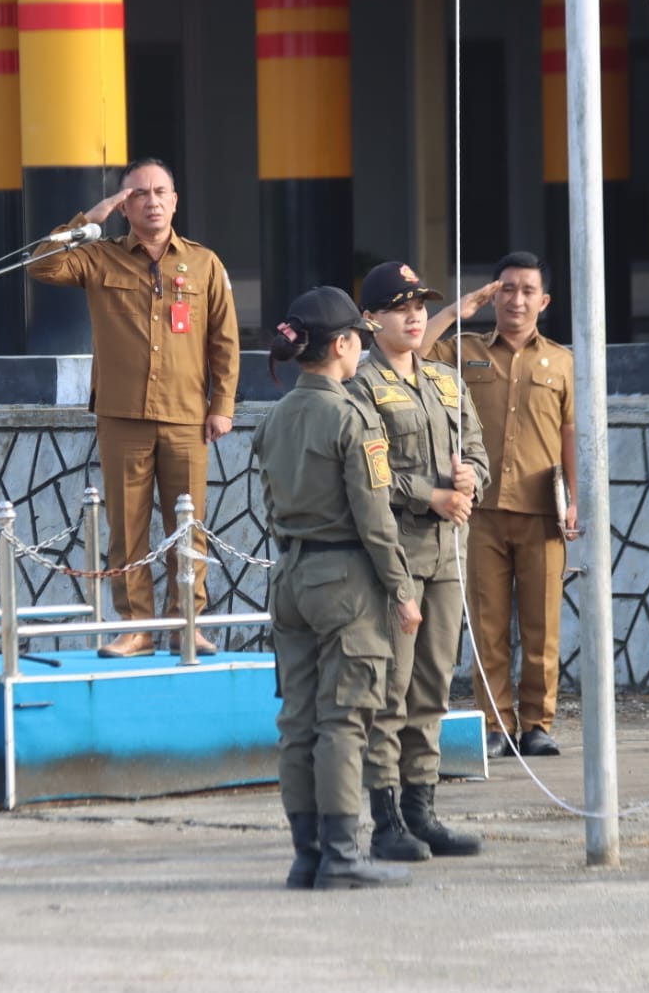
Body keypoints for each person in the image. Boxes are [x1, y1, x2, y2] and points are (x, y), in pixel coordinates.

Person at [29, 158, 239, 658]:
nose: (151, 201)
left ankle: (186, 623)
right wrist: (88, 220)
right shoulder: (99, 257)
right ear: (124, 206)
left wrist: (222, 405)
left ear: (175, 200)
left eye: (160, 191)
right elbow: (42, 265)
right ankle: (136, 628)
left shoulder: (204, 263)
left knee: (188, 527)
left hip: (187, 416)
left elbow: (224, 340)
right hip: (122, 416)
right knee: (127, 530)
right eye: (138, 194)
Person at [252, 285, 422, 890]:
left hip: (290, 576)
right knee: (345, 721)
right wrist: (402, 590)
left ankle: (308, 856)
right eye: (358, 340)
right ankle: (343, 855)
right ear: (343, 344)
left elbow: (271, 505)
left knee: (298, 721)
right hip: (346, 581)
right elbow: (375, 519)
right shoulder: (352, 417)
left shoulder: (275, 418)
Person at [348, 261, 489, 861]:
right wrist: (429, 494)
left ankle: (421, 810)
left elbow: (477, 449)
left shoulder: (444, 380)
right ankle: (385, 820)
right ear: (370, 319)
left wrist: (471, 477)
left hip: (447, 552)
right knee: (391, 687)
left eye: (420, 306)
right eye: (399, 307)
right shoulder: (361, 386)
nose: (413, 316)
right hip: (396, 553)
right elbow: (368, 472)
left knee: (433, 683)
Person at [423, 251, 578, 760]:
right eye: (506, 288)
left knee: (542, 626)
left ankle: (537, 724)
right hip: (480, 511)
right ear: (493, 295)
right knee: (487, 626)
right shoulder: (464, 351)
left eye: (528, 290)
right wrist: (455, 311)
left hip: (541, 511)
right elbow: (414, 354)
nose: (516, 300)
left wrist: (575, 500)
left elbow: (570, 434)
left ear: (544, 301)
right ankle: (495, 723)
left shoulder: (562, 361)